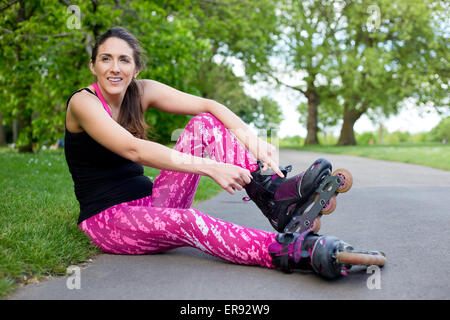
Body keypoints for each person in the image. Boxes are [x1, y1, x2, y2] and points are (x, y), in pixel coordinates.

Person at [64, 27, 325, 275]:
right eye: (105, 59)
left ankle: (274, 197)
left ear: (136, 69)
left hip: (153, 204)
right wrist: (211, 167)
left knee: (204, 124)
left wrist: (251, 139)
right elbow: (133, 149)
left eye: (124, 60)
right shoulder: (83, 103)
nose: (114, 68)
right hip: (108, 220)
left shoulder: (141, 91)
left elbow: (209, 106)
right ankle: (286, 250)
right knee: (188, 220)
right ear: (93, 65)